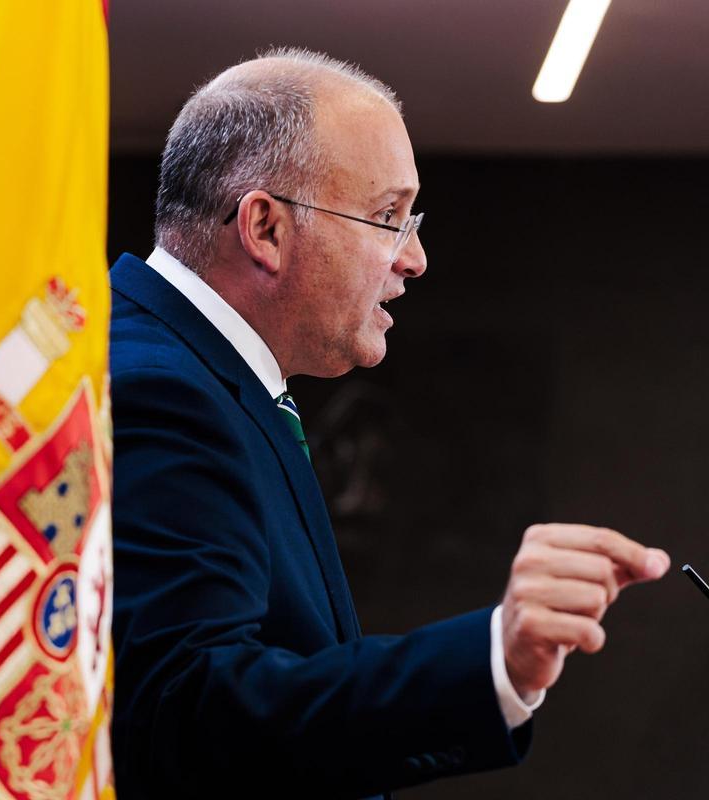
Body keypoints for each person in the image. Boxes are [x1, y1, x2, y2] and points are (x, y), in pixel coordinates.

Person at [108, 48, 670, 800]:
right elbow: (192, 715)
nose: (417, 259)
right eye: (387, 218)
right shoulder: (160, 390)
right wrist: (492, 657)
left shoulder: (201, 373)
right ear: (265, 228)